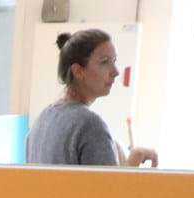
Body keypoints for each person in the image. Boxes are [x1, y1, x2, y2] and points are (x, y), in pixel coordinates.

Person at [26, 28, 157, 168]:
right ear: (78, 71)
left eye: (114, 61)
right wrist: (135, 158)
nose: (116, 72)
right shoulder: (90, 125)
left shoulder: (40, 122)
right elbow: (112, 189)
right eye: (104, 62)